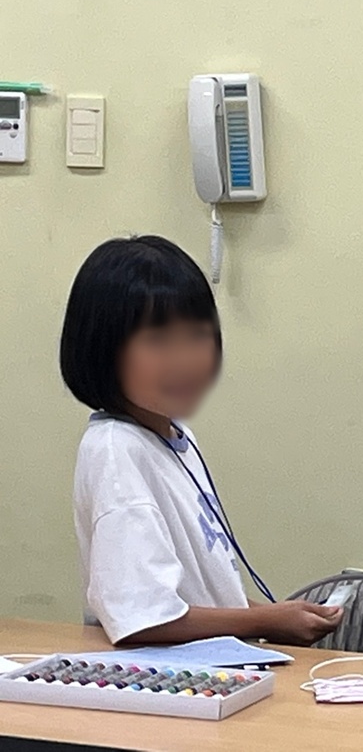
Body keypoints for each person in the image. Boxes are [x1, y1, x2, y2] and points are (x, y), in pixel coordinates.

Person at [61, 235, 344, 645]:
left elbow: (197, 593)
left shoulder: (175, 437)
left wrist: (272, 615)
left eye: (196, 336)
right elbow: (145, 619)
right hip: (161, 676)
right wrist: (265, 621)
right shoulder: (115, 450)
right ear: (100, 348)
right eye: (159, 341)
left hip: (215, 667)